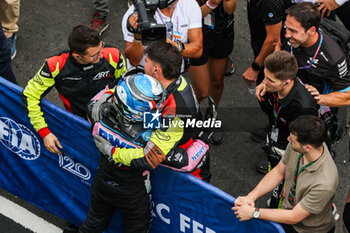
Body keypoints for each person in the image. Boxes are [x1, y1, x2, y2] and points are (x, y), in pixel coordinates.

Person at [22, 25, 127, 154]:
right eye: (94, 55)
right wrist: (45, 133)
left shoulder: (113, 55)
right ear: (77, 56)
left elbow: (125, 87)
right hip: (79, 123)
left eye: (101, 48)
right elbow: (29, 96)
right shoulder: (55, 65)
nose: (101, 56)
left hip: (112, 118)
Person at [233, 115, 339, 233]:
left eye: (292, 140)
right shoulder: (302, 144)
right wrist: (251, 197)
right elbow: (279, 171)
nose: (288, 139)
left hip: (307, 230)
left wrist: (254, 212)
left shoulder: (325, 183)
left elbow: (294, 216)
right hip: (287, 214)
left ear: (308, 147)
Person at [254, 51, 318, 207]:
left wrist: (292, 178)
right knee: (274, 183)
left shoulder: (304, 107)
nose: (264, 82)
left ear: (287, 82)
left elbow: (308, 147)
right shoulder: (272, 88)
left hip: (291, 153)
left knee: (283, 198)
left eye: (270, 80)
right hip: (275, 143)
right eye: (265, 76)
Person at [281, 2, 350, 108]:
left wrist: (319, 98)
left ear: (311, 31)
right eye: (286, 27)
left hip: (313, 108)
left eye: (293, 31)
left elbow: (347, 95)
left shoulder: (334, 57)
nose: (286, 34)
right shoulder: (293, 30)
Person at [244, 0, 294, 143]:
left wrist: (255, 67)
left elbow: (273, 40)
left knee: (273, 101)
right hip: (266, 53)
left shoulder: (269, 2)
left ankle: (277, 142)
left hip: (272, 60)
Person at [121, 0, 203, 68]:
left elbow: (198, 50)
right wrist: (138, 37)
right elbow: (133, 61)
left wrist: (175, 46)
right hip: (144, 78)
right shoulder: (135, 14)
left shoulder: (190, 5)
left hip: (173, 76)